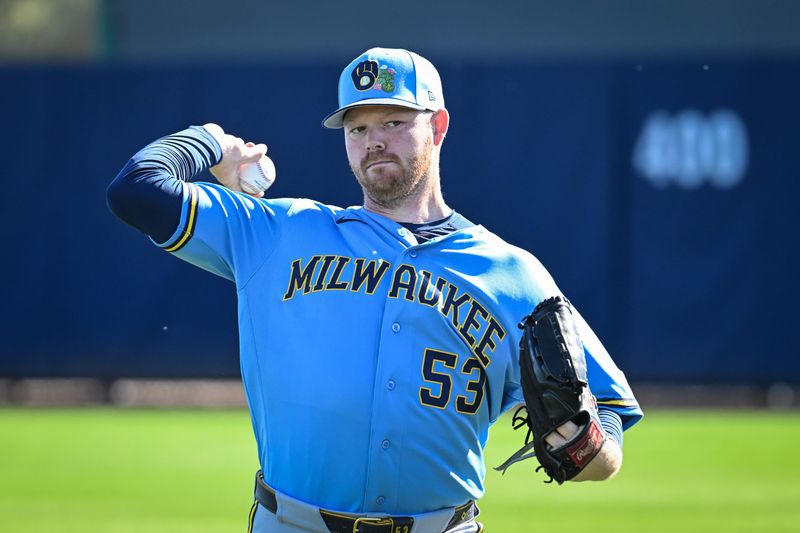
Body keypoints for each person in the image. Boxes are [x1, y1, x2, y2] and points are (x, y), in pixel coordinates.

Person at [107, 47, 643, 533]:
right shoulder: (279, 233)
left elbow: (609, 424)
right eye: (357, 128)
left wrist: (583, 442)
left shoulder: (513, 275)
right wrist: (211, 142)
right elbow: (136, 192)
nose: (374, 140)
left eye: (393, 120)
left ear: (438, 126)